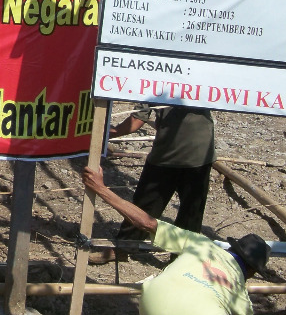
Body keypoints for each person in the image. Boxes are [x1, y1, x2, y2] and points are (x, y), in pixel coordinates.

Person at [84, 167, 286, 315]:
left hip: (151, 307)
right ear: (253, 270)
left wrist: (101, 188)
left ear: (233, 249)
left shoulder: (200, 243)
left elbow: (147, 223)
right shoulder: (239, 290)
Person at [90, 105, 216, 264]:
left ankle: (125, 247)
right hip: (197, 153)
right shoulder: (193, 82)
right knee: (190, 214)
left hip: (177, 155)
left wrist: (101, 135)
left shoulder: (156, 84)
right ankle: (180, 259)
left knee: (145, 206)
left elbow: (134, 123)